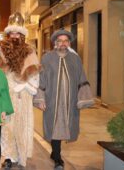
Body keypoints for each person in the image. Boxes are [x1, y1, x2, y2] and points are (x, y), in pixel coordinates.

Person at [34, 29, 90, 168]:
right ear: (55, 43)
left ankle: (55, 153)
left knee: (66, 126)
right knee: (55, 127)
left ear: (69, 43)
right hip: (53, 100)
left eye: (66, 41)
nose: (63, 43)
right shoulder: (47, 58)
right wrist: (40, 99)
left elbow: (81, 77)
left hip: (69, 101)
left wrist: (83, 97)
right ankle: (57, 156)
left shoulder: (75, 58)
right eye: (60, 41)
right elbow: (41, 79)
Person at [0, 13, 40, 168]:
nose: (15, 36)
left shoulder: (29, 50)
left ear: (22, 34)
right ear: (9, 34)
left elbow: (35, 72)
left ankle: (21, 156)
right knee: (7, 127)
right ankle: (9, 157)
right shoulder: (1, 50)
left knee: (22, 126)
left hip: (23, 94)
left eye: (18, 33)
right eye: (12, 33)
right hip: (7, 93)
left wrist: (24, 85)